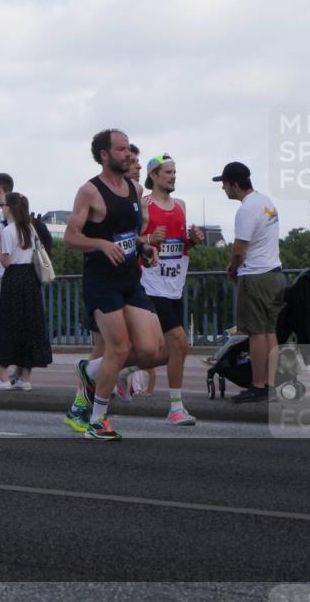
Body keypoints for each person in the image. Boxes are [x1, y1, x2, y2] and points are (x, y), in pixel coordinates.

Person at [63, 129, 163, 440]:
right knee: (118, 349)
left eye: (128, 149)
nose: (128, 155)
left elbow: (128, 235)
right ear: (105, 155)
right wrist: (101, 245)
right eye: (121, 150)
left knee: (154, 350)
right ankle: (97, 420)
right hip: (101, 281)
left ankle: (90, 370)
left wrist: (144, 248)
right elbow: (70, 237)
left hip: (130, 280)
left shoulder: (134, 188)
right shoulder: (89, 191)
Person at [135, 154, 205, 424]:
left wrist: (193, 240)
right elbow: (130, 240)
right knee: (180, 342)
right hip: (150, 284)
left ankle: (120, 370)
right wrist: (150, 238)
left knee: (164, 350)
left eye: (175, 172)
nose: (173, 176)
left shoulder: (181, 205)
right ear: (153, 175)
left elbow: (180, 245)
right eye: (167, 172)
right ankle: (175, 407)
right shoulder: (143, 206)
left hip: (175, 285)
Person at [214, 161, 286, 403]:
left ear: (235, 185)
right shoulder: (266, 201)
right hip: (276, 274)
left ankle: (257, 385)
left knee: (255, 333)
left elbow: (238, 251)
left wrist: (232, 269)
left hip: (255, 276)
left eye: (224, 184)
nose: (223, 188)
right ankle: (273, 385)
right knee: (270, 332)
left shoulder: (246, 210)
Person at [0, 192, 53, 390]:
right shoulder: (30, 228)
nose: (3, 209)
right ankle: (25, 378)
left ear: (10, 208)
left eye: (4, 206)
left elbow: (6, 261)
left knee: (6, 326)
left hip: (14, 278)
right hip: (31, 279)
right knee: (29, 325)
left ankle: (3, 378)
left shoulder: (8, 231)